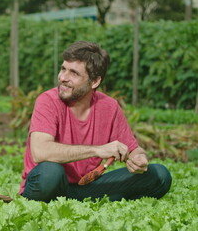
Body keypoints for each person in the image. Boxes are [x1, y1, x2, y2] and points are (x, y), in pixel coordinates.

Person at [20, 41, 172, 202]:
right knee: (51, 172)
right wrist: (97, 150)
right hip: (51, 185)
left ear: (94, 82)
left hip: (87, 187)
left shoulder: (109, 106)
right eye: (63, 69)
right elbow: (40, 152)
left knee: (159, 175)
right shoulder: (47, 101)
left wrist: (139, 159)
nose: (62, 77)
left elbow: (133, 149)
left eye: (74, 73)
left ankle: (88, 202)